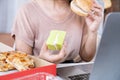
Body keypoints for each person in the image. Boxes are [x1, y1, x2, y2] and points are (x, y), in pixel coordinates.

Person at [12, 0, 103, 63]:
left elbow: (87, 57)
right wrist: (42, 61)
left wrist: (92, 31)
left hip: (70, 71)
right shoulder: (27, 11)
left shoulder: (81, 11)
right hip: (38, 72)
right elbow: (22, 62)